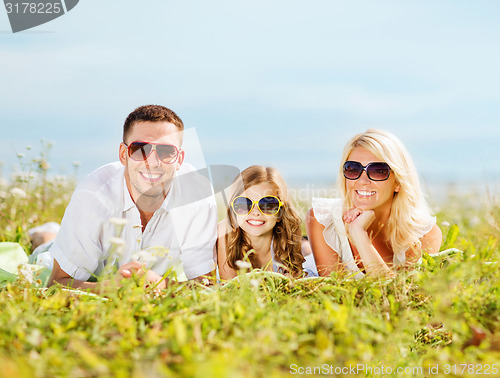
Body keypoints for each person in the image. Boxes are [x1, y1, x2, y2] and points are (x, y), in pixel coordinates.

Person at [47, 105, 217, 290]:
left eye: (166, 152)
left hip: (153, 275)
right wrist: (112, 287)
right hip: (75, 268)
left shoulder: (198, 196)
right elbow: (56, 284)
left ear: (179, 160)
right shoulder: (93, 196)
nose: (152, 162)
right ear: (123, 155)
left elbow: (206, 286)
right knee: (44, 248)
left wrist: (158, 284)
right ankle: (44, 236)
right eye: (139, 149)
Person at [305, 129, 442, 278]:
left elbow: (400, 296)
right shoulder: (323, 220)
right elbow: (337, 294)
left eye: (378, 171)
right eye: (353, 169)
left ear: (398, 182)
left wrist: (359, 234)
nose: (362, 181)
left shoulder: (425, 235)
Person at [217, 165, 318, 280]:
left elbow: (294, 283)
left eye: (268, 205)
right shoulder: (225, 232)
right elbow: (230, 285)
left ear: (280, 212)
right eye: (244, 204)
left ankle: (305, 244)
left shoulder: (288, 240)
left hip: (292, 245)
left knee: (307, 250)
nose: (255, 213)